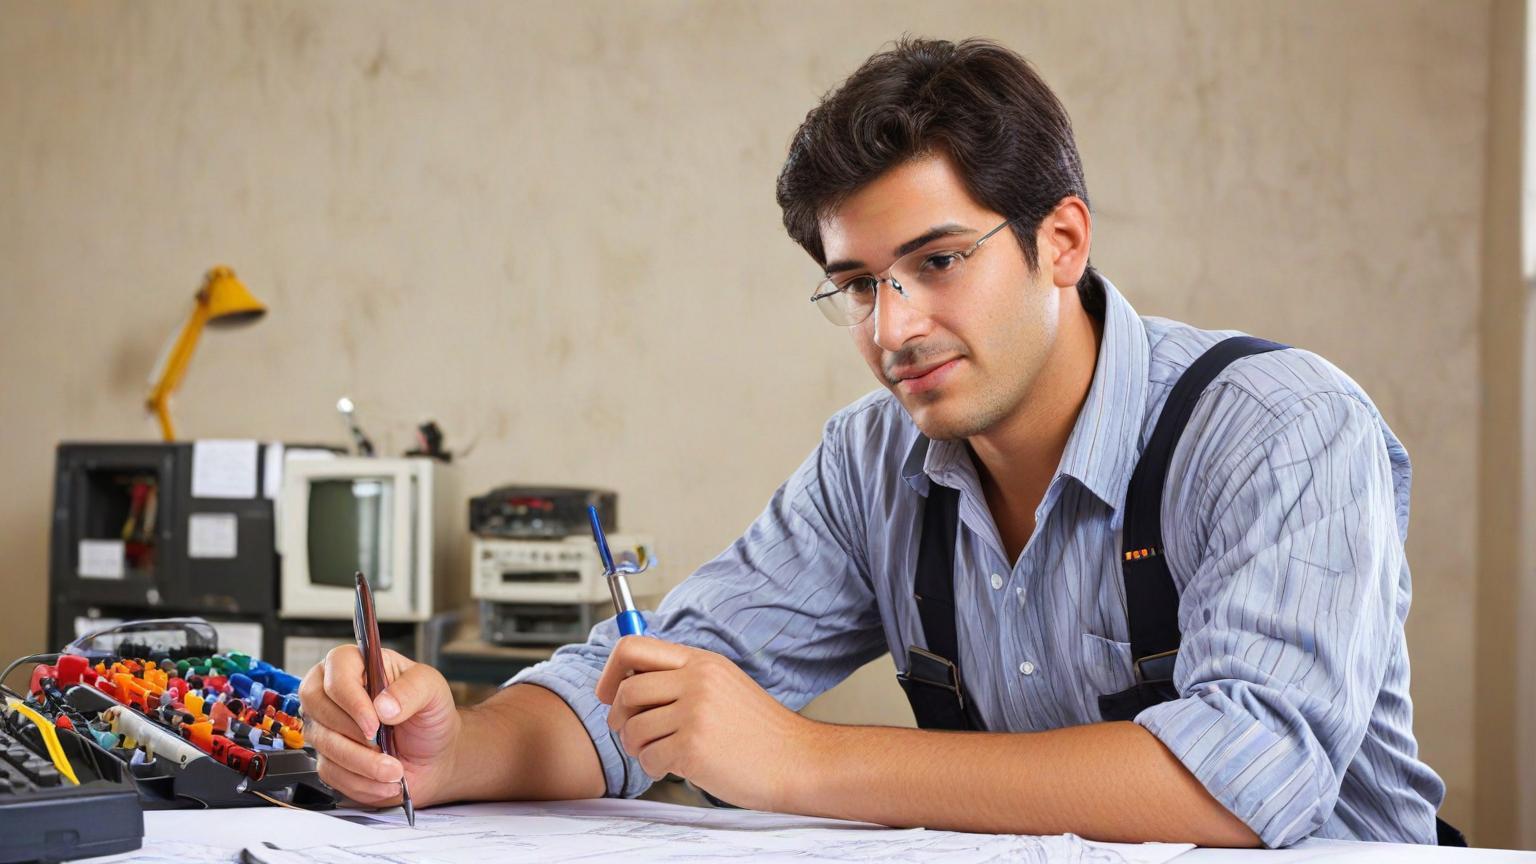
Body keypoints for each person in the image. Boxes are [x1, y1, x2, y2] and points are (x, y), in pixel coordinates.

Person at [299, 37, 1448, 848]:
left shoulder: (1281, 430)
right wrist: (456, 752)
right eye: (857, 286)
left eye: (938, 263)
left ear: (1060, 241)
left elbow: (1246, 783)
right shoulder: (871, 465)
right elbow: (644, 694)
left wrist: (799, 760)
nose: (893, 329)